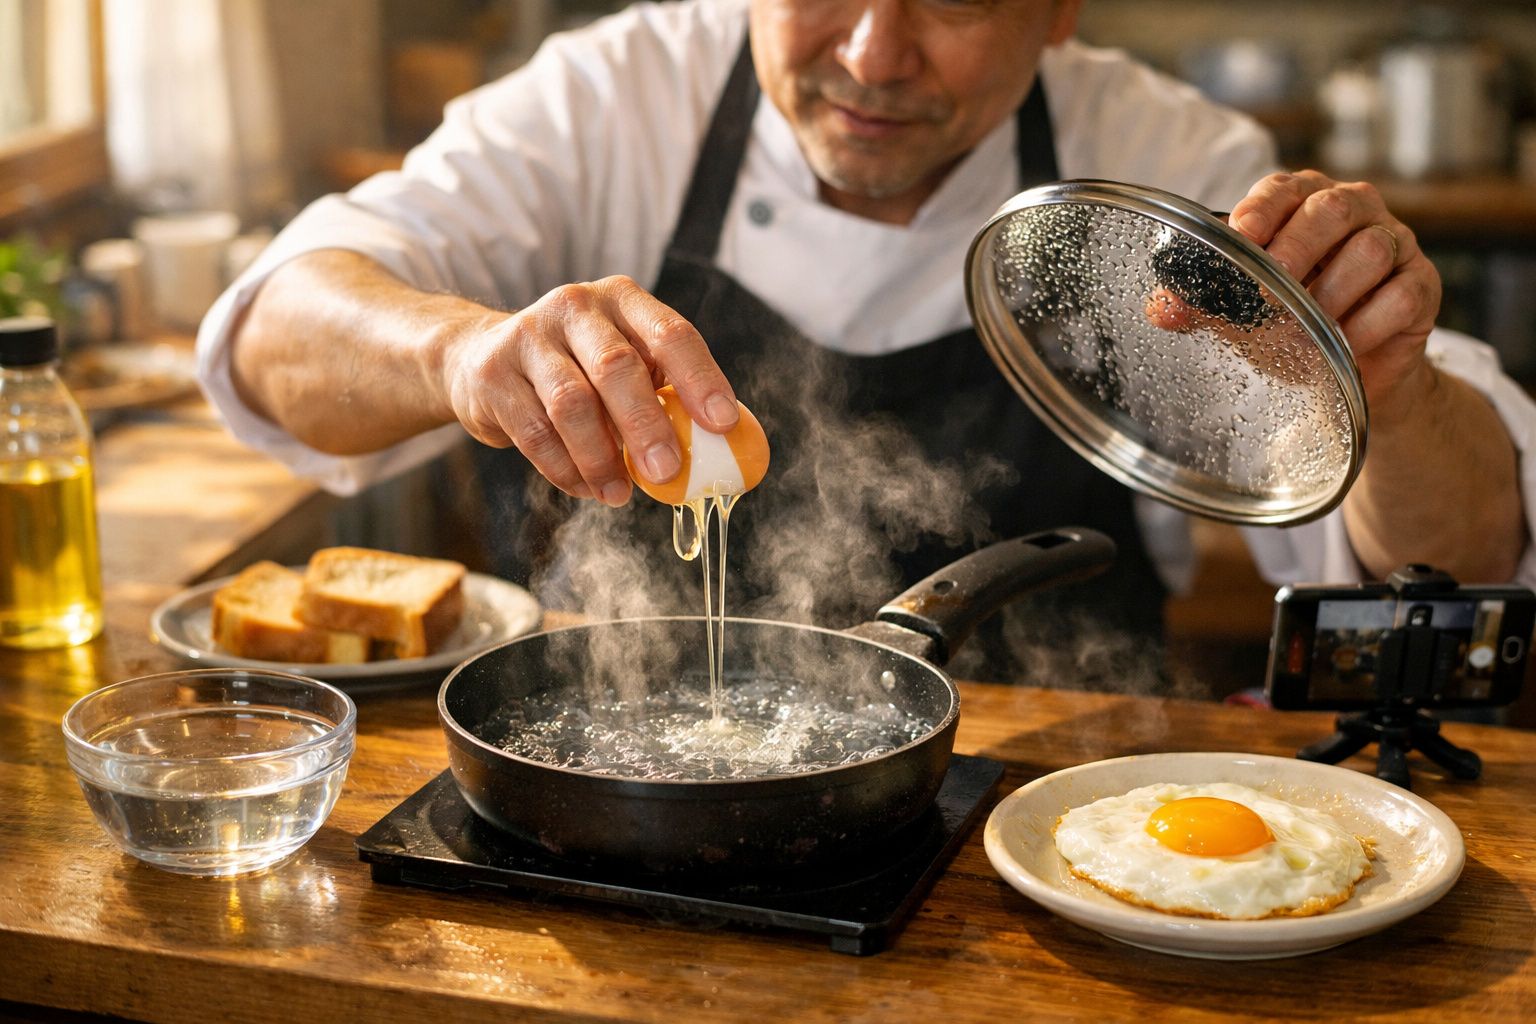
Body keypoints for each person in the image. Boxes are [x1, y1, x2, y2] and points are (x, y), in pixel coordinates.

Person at [197, 0, 1534, 679]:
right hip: (612, 787)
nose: (878, 55)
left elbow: (1449, 566)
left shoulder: (1163, 163)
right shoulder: (615, 99)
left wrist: (1393, 391)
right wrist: (459, 356)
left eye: (954, 1)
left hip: (1042, 823)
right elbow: (275, 332)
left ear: (1061, 9)